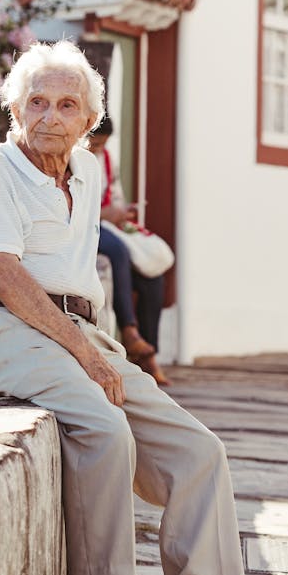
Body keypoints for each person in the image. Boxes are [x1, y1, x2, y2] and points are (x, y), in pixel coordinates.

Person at [0, 40, 277, 575]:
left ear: (89, 120)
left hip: (81, 335)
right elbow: (1, 273)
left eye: (67, 104)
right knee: (105, 430)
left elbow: (80, 272)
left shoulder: (90, 170)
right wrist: (79, 345)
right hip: (3, 329)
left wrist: (94, 344)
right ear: (13, 106)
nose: (49, 115)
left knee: (198, 453)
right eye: (36, 100)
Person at [89, 117, 170, 386]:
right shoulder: (72, 159)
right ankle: (130, 330)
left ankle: (148, 355)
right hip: (87, 227)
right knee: (119, 253)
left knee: (151, 276)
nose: (98, 149)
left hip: (108, 225)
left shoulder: (106, 160)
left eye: (102, 145)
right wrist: (103, 213)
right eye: (95, 143)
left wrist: (121, 213)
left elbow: (115, 194)